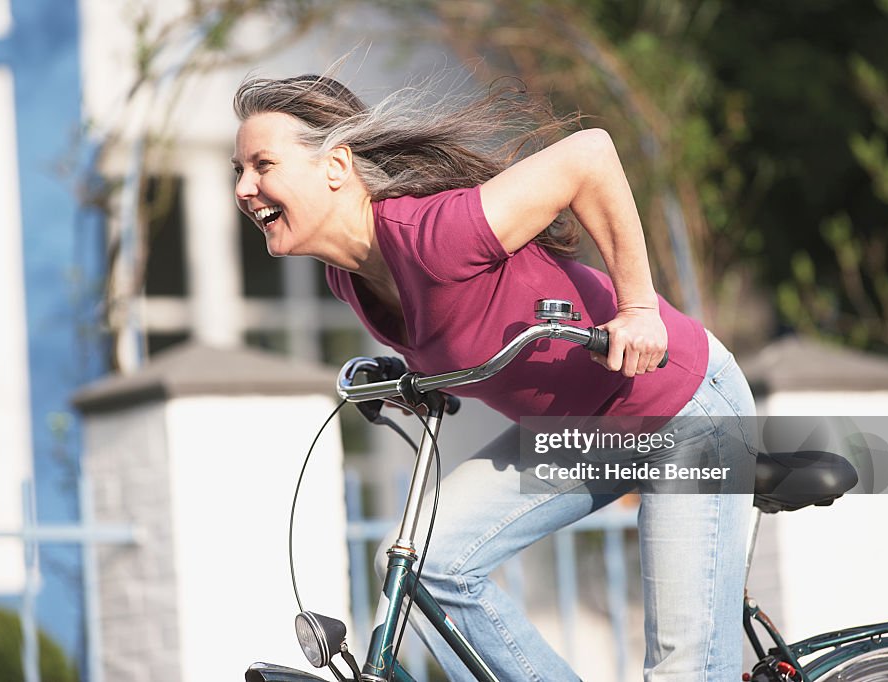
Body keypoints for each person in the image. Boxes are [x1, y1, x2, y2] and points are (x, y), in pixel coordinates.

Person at [231, 72, 757, 681]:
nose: (246, 188)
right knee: (424, 564)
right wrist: (411, 375)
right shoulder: (348, 277)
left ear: (336, 166)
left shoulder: (435, 235)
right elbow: (470, 326)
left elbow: (589, 156)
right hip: (583, 434)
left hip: (683, 409)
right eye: (238, 171)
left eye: (262, 164)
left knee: (685, 673)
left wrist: (638, 309)